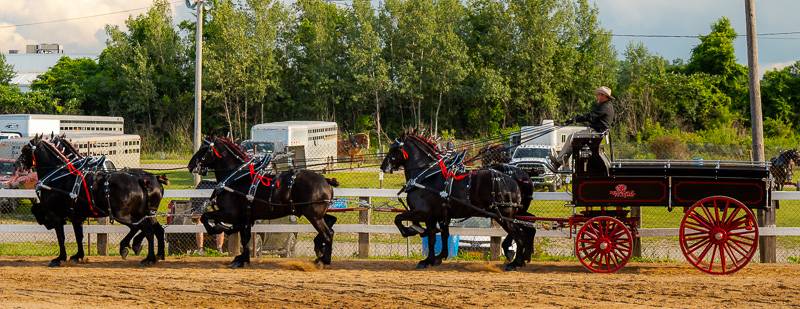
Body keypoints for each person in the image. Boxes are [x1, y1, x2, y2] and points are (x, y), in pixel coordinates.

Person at [550, 86, 615, 169]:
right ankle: (560, 160)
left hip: (596, 133)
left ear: (603, 95)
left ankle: (558, 162)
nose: (596, 96)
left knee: (572, 137)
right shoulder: (605, 105)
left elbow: (590, 116)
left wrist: (575, 119)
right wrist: (575, 119)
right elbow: (591, 117)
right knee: (573, 137)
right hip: (595, 131)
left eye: (598, 94)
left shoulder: (605, 107)